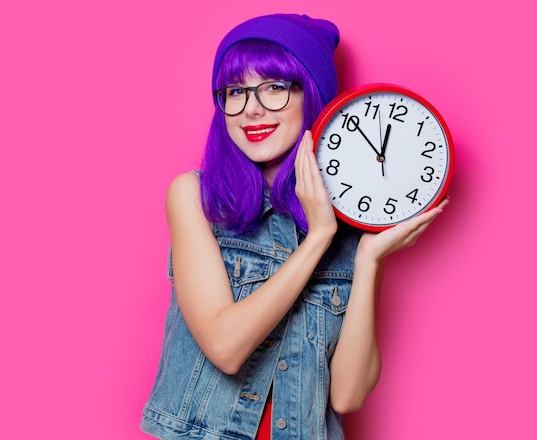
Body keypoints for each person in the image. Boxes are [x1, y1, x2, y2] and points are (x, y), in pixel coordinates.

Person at [140, 13, 448, 440]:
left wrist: (370, 259)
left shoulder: (355, 225)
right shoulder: (196, 198)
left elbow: (347, 395)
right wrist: (318, 238)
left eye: (274, 88)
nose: (251, 109)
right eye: (236, 91)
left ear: (313, 95)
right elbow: (225, 347)